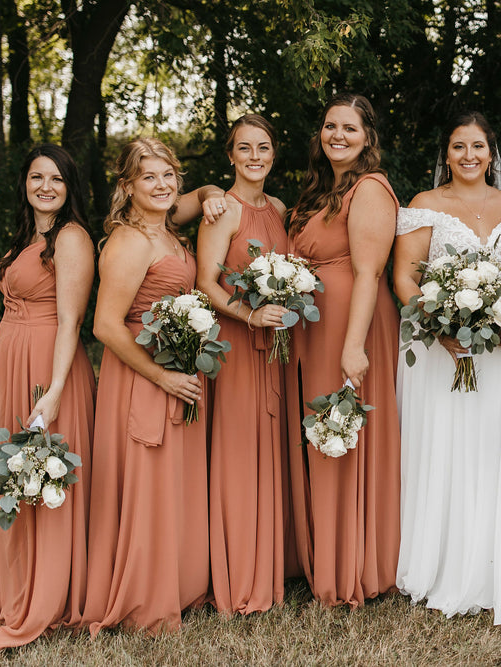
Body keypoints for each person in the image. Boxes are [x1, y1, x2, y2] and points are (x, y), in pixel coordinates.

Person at [393, 111, 501, 624]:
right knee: (446, 447)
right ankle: (443, 566)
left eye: (477, 146)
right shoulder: (424, 206)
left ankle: (498, 566)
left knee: (498, 449)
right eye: (458, 147)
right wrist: (441, 331)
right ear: (446, 154)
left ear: (491, 153)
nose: (468, 156)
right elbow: (405, 279)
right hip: (441, 352)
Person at [83, 137, 222, 635]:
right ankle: (144, 595)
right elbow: (105, 325)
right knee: (147, 482)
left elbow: (204, 192)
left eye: (169, 176)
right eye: (149, 177)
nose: (162, 186)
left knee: (172, 484)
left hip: (175, 370)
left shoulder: (166, 225)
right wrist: (162, 375)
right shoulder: (129, 241)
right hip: (143, 373)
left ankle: (179, 585)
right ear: (127, 186)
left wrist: (210, 194)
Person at [0, 145, 96, 650]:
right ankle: (15, 585)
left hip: (48, 370)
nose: (45, 186)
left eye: (56, 179)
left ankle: (50, 593)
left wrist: (56, 390)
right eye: (37, 177)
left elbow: (70, 322)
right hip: (15, 368)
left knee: (46, 472)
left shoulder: (72, 239)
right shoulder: (29, 237)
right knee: (17, 474)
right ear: (25, 183)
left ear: (69, 188)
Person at [284, 93, 401, 607]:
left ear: (368, 137)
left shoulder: (370, 189)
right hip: (315, 328)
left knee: (343, 433)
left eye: (349, 129)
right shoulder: (319, 191)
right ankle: (321, 553)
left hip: (351, 327)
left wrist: (353, 346)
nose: (338, 136)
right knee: (322, 433)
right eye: (330, 126)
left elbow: (368, 272)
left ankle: (352, 563)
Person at [196, 113, 295, 615]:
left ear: (274, 154)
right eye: (244, 149)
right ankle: (237, 575)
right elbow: (206, 282)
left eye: (263, 148)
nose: (255, 157)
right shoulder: (223, 211)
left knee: (269, 447)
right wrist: (249, 314)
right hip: (236, 344)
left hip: (275, 347)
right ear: (230, 156)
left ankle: (270, 563)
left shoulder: (278, 207)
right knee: (238, 451)